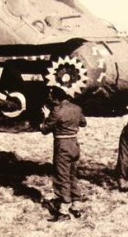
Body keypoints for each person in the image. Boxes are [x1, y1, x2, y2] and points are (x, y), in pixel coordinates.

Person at [40, 87, 87, 222]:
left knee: (62, 176)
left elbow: (44, 129)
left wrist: (45, 116)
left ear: (55, 98)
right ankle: (76, 206)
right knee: (72, 175)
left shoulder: (56, 111)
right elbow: (83, 123)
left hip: (62, 145)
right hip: (75, 145)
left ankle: (63, 210)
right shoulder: (77, 108)